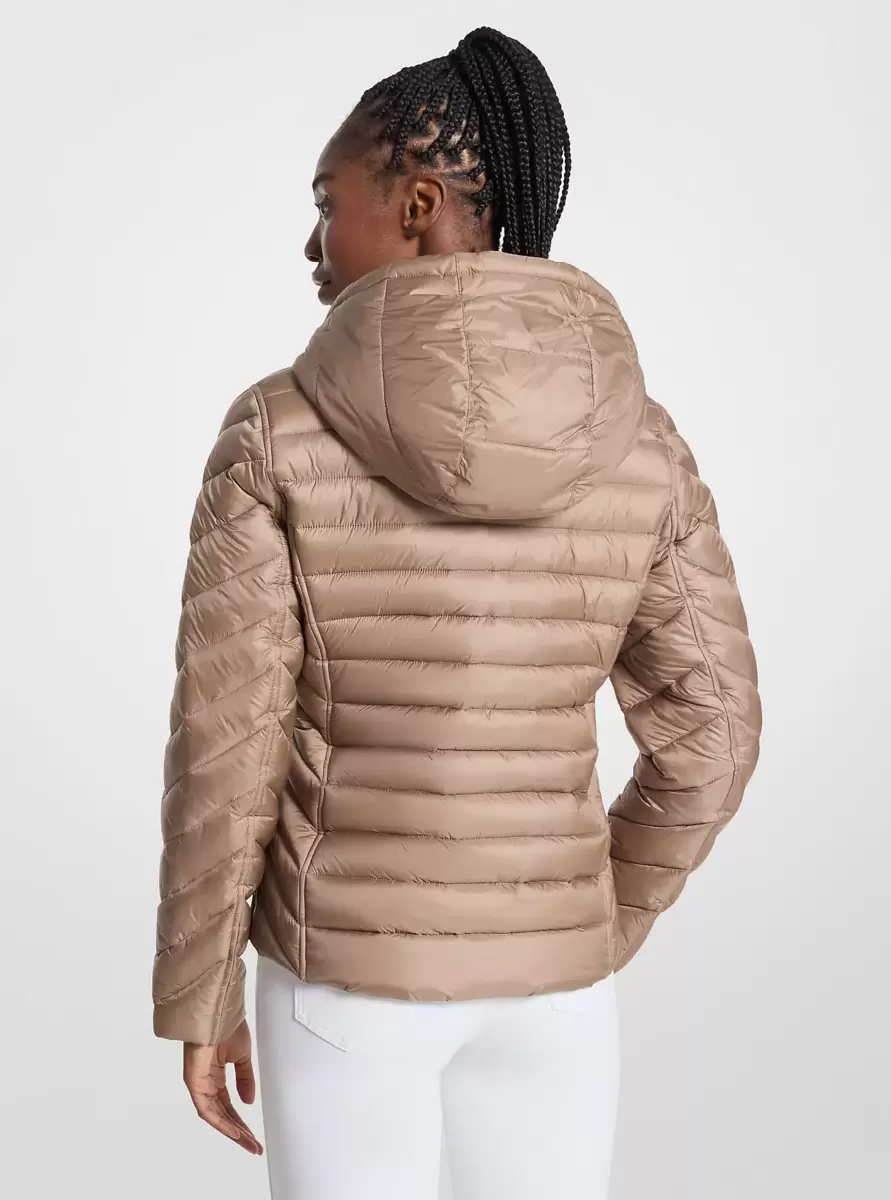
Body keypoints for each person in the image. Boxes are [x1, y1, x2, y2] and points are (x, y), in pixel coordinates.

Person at [151, 25, 762, 1200]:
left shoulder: (274, 432)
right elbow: (718, 736)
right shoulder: (642, 441)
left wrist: (201, 988)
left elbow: (228, 746)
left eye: (327, 204)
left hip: (343, 986)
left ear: (419, 204)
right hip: (557, 1004)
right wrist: (578, 918)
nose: (312, 245)